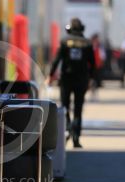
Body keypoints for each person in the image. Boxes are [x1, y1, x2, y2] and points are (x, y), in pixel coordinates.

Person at [46, 18, 95, 148]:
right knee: (78, 109)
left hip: (66, 79)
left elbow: (56, 60)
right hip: (81, 80)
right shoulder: (88, 43)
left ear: (69, 28)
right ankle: (76, 138)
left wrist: (50, 76)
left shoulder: (64, 42)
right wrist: (91, 79)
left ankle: (67, 127)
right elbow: (93, 64)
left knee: (64, 106)